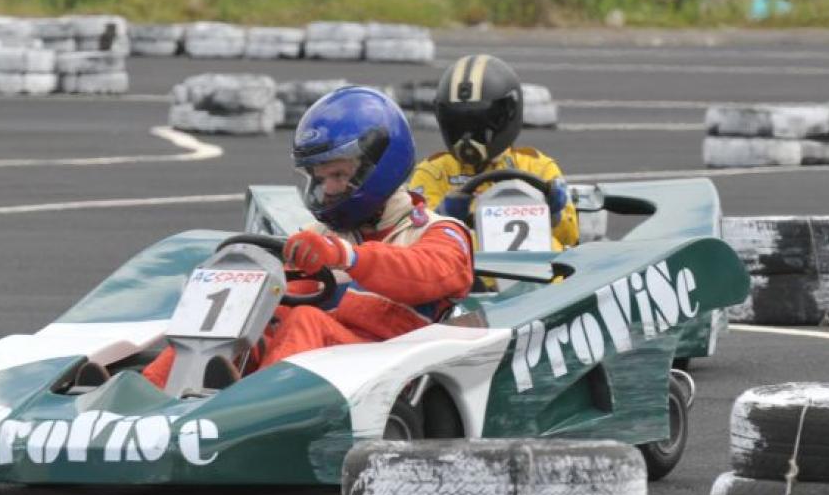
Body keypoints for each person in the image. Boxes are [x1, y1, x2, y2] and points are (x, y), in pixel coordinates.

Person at [142, 86, 475, 389]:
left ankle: (253, 412)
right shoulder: (325, 237)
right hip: (324, 369)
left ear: (381, 167)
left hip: (388, 368)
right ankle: (145, 397)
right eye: (320, 177)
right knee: (247, 323)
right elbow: (284, 298)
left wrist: (348, 257)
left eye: (339, 175)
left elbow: (427, 271)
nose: (328, 189)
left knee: (306, 319)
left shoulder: (438, 231)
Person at [410, 53, 579, 251]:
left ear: (507, 117)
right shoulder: (433, 172)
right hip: (470, 276)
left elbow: (571, 239)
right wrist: (443, 217)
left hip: (540, 275)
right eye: (458, 124)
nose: (467, 137)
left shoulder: (538, 168)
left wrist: (554, 214)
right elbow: (415, 243)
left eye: (477, 126)